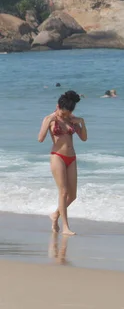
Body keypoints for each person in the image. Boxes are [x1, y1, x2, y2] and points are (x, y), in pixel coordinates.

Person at [37, 90, 87, 235]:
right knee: (63, 192)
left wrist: (82, 122)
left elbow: (84, 138)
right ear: (57, 106)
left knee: (73, 196)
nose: (65, 115)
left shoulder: (71, 119)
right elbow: (40, 139)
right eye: (63, 112)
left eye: (68, 113)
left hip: (71, 158)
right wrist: (49, 120)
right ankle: (65, 227)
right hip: (57, 156)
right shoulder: (50, 119)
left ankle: (55, 215)